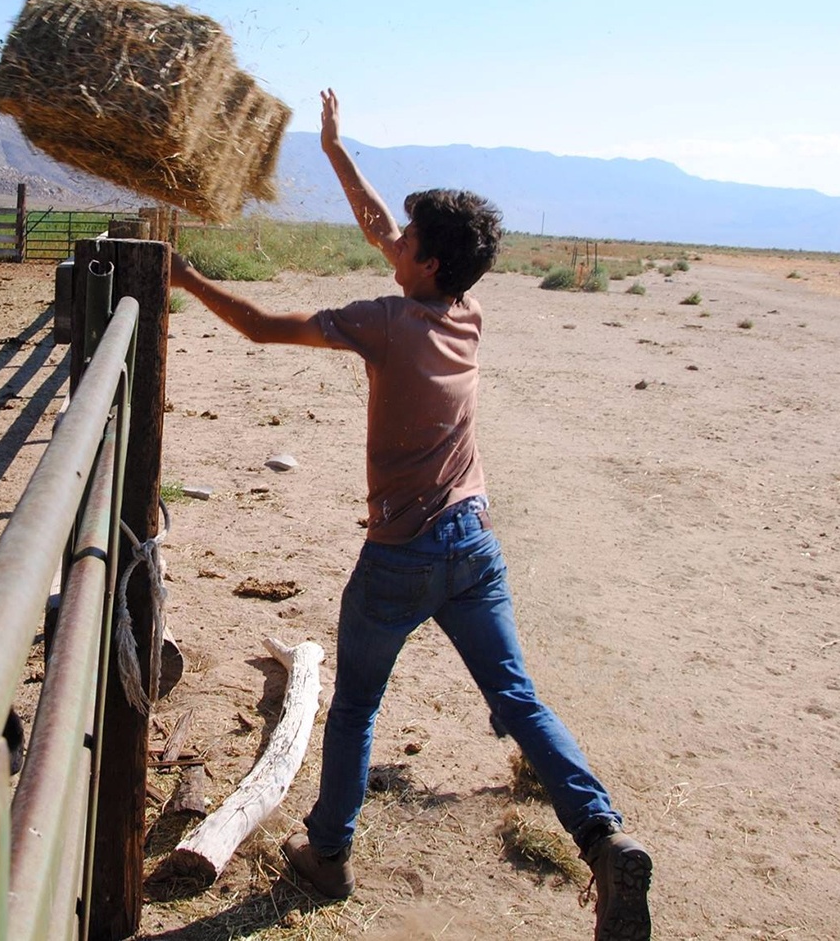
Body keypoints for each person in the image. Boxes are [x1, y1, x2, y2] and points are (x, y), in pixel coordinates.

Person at [168, 89, 652, 940]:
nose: (394, 238)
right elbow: (379, 224)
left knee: (354, 705)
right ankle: (602, 836)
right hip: (474, 545)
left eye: (409, 238)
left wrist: (184, 276)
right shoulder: (465, 311)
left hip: (401, 555)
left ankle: (327, 854)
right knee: (518, 697)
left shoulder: (385, 322)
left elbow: (258, 325)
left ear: (426, 262)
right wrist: (332, 147)